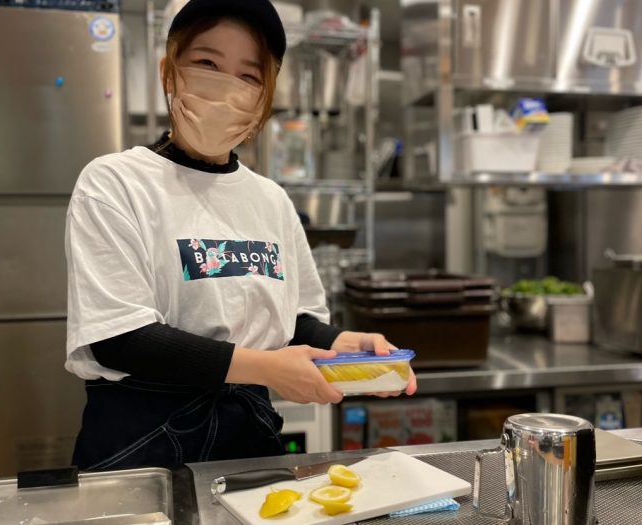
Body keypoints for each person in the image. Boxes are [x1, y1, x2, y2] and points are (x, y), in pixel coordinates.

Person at [65, 0, 416, 471]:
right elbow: (118, 337)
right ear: (169, 72)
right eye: (207, 64)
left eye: (249, 76)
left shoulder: (271, 200)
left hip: (247, 439)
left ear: (264, 97)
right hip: (140, 446)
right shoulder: (115, 182)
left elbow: (290, 322)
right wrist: (266, 368)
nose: (226, 88)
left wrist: (342, 344)